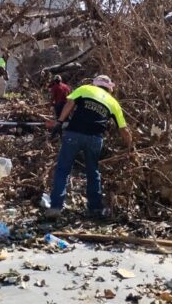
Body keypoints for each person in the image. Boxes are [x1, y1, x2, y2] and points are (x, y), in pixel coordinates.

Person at [46, 74, 133, 220]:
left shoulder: (85, 89)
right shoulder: (114, 103)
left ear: (95, 84)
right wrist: (132, 147)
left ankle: (55, 207)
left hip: (74, 133)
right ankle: (95, 208)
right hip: (95, 138)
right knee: (93, 172)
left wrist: (59, 122)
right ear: (109, 88)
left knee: (63, 169)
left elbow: (69, 103)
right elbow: (123, 130)